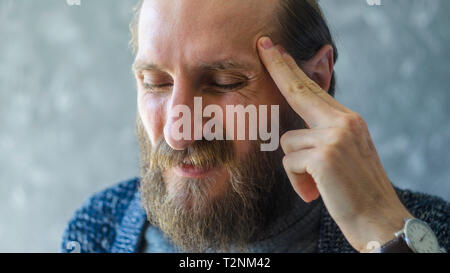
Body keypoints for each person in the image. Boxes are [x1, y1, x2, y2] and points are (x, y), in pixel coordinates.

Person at [61, 0, 449, 253]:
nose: (178, 132)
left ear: (313, 80)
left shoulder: (429, 235)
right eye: (156, 83)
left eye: (224, 83)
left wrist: (388, 234)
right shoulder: (98, 230)